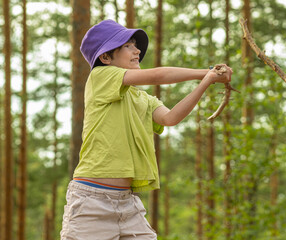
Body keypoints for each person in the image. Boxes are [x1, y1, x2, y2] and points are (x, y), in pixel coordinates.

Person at [60, 19, 232, 240]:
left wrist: (207, 82)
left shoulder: (142, 98)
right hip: (91, 202)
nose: (137, 50)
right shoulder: (100, 77)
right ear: (105, 58)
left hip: (127, 202)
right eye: (128, 46)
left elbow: (170, 118)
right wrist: (206, 72)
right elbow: (158, 75)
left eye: (135, 45)